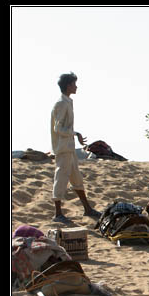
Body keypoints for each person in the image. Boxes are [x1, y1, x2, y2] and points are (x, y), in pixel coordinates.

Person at [50, 72, 101, 223]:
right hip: (63, 148)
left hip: (69, 148)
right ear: (68, 86)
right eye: (74, 84)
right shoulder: (61, 104)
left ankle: (87, 208)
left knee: (77, 179)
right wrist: (75, 133)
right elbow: (58, 128)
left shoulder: (67, 102)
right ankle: (58, 213)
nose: (76, 86)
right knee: (61, 179)